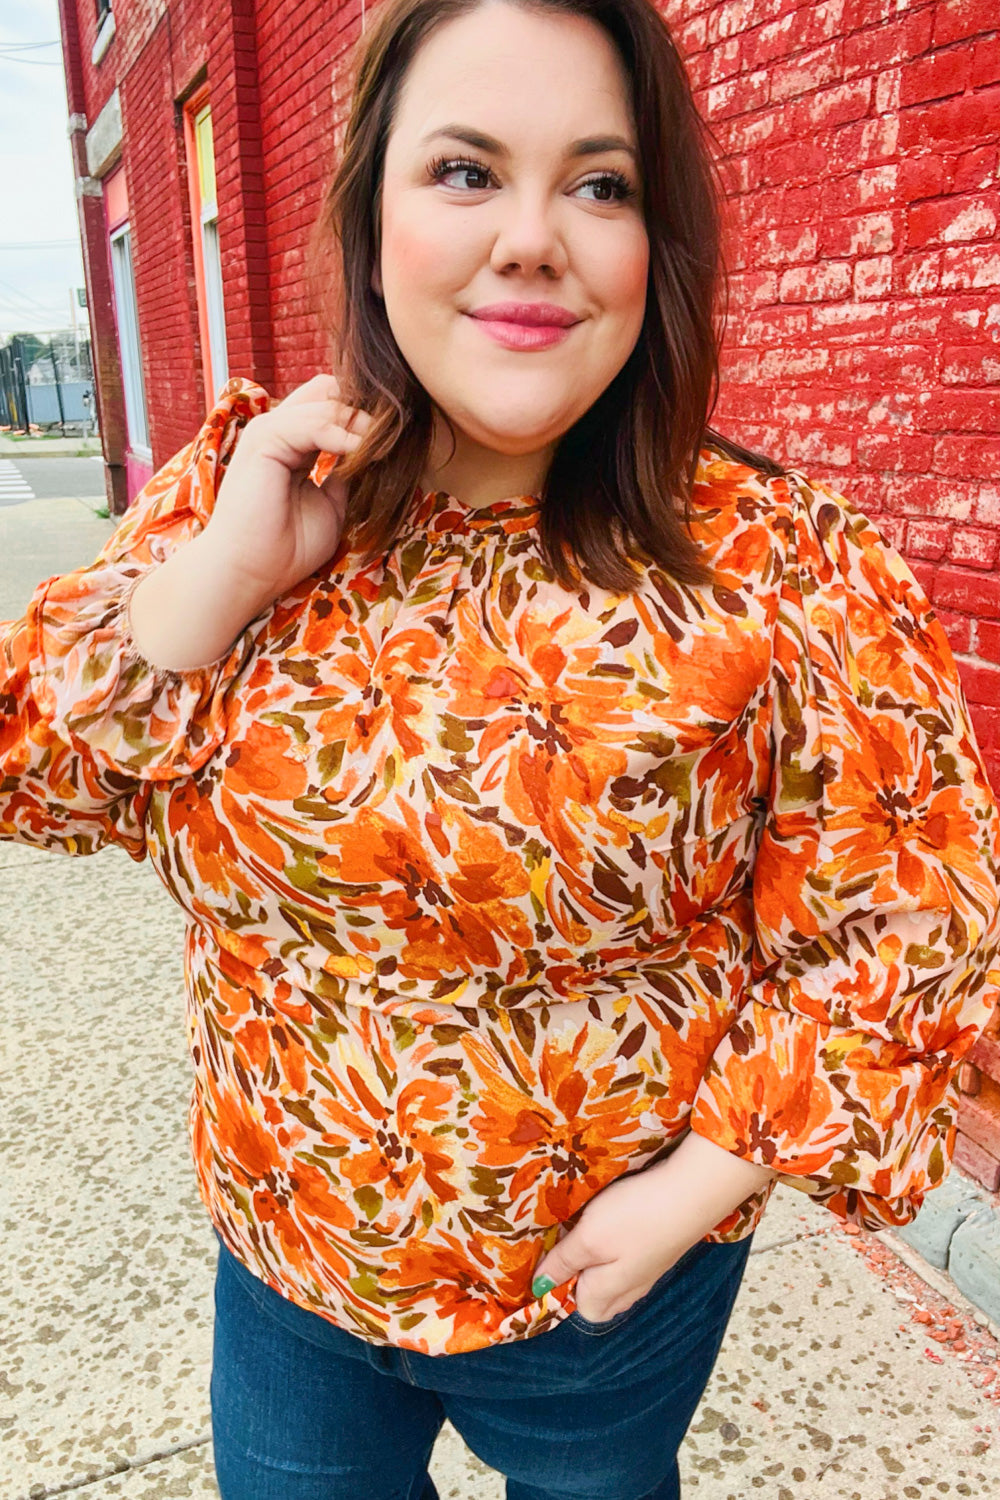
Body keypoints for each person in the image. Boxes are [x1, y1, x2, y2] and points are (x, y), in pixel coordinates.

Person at [4, 0, 999, 1495]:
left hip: (605, 1289)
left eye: (600, 184)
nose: (533, 237)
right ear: (372, 216)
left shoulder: (787, 568)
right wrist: (224, 581)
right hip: (287, 1260)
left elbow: (914, 930)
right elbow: (40, 776)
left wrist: (688, 1201)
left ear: (652, 246)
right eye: (465, 170)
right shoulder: (249, 490)